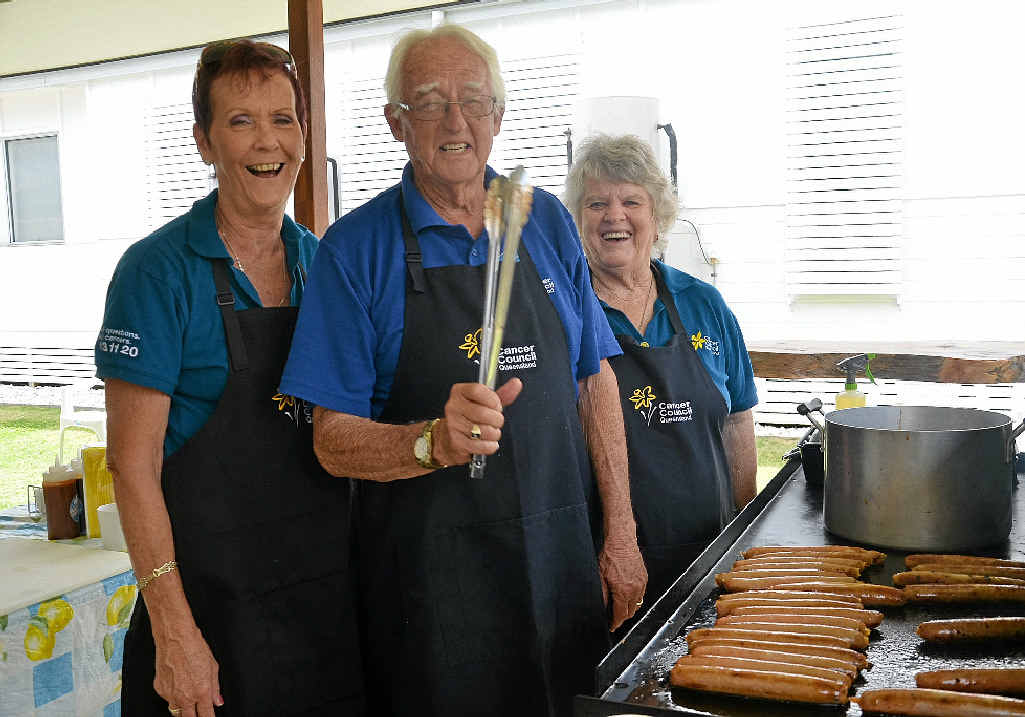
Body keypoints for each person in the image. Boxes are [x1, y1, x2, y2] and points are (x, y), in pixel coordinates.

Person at [279, 24, 646, 717]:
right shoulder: (354, 250)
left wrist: (621, 533)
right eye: (429, 101)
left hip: (558, 571)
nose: (456, 121)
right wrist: (430, 442)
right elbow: (330, 439)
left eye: (474, 100)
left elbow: (593, 379)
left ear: (498, 116)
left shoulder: (547, 223)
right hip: (432, 602)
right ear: (396, 122)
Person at [96, 40, 363, 717]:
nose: (267, 141)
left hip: (322, 617)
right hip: (209, 621)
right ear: (203, 142)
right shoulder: (157, 273)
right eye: (241, 121)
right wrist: (174, 633)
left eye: (283, 118)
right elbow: (132, 467)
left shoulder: (322, 263)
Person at [564, 133, 758, 608]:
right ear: (576, 220)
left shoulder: (702, 302)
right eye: (596, 204)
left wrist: (745, 532)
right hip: (607, 562)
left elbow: (738, 420)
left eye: (632, 201)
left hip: (712, 553)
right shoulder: (563, 310)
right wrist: (615, 546)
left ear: (656, 218)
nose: (615, 216)